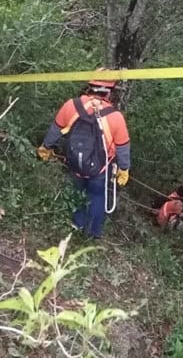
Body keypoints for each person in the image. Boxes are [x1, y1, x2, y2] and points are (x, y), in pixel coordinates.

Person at [37, 71, 130, 239]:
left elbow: (55, 131)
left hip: (74, 163)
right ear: (109, 91)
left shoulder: (71, 106)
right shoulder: (116, 117)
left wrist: (46, 147)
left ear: (90, 86)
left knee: (77, 191)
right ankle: (92, 233)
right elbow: (123, 147)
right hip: (101, 168)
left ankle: (76, 225)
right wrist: (124, 169)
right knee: (97, 196)